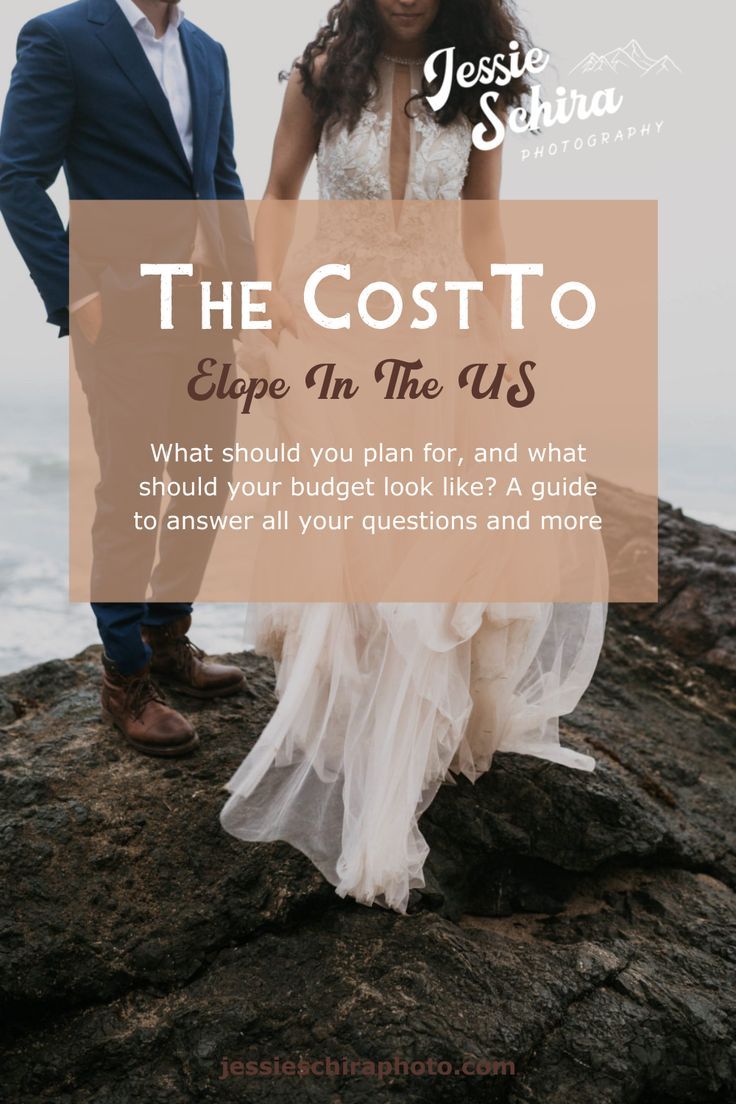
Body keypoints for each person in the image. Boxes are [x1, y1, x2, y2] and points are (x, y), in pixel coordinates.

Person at [220, 0, 607, 915]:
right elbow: (279, 194)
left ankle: (398, 748)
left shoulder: (475, 83)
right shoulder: (323, 72)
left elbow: (483, 226)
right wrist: (259, 303)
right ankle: (345, 723)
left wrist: (505, 337)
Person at [0, 0, 253, 757]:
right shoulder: (64, 37)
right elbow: (16, 176)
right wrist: (78, 296)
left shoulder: (207, 50)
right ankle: (126, 676)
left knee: (208, 475)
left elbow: (221, 176)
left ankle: (167, 634)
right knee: (135, 486)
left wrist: (243, 290)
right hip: (124, 312)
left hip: (205, 312)